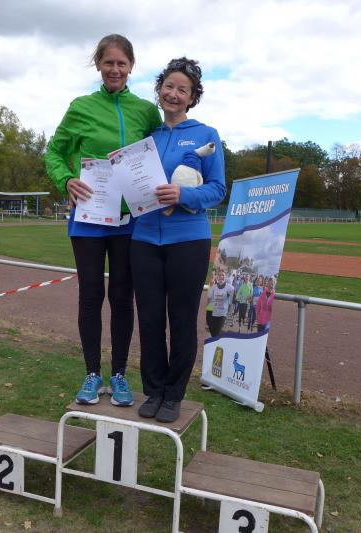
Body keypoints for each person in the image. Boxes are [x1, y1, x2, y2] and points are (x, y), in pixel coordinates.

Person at [45, 34, 162, 406]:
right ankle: (92, 374)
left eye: (121, 63)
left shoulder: (146, 111)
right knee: (91, 295)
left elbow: (159, 153)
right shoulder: (81, 107)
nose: (115, 69)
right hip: (90, 218)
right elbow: (54, 152)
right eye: (108, 62)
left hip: (131, 221)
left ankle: (120, 375)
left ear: (131, 66)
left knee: (122, 298)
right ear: (98, 64)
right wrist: (66, 180)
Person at [131, 57, 226, 423]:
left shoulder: (206, 134)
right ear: (159, 90)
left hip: (188, 239)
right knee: (150, 319)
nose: (173, 94)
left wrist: (183, 195)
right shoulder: (147, 138)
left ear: (192, 97)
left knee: (182, 320)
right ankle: (154, 390)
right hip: (144, 238)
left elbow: (217, 189)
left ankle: (173, 394)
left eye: (182, 90)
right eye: (168, 86)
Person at [206, 270, 233, 337]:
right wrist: (205, 307)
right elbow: (209, 298)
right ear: (217, 277)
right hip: (214, 313)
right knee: (213, 332)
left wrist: (229, 313)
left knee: (216, 333)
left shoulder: (230, 287)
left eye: (223, 275)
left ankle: (216, 342)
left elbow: (231, 301)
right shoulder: (214, 287)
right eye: (220, 275)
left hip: (222, 314)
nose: (221, 276)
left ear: (225, 277)